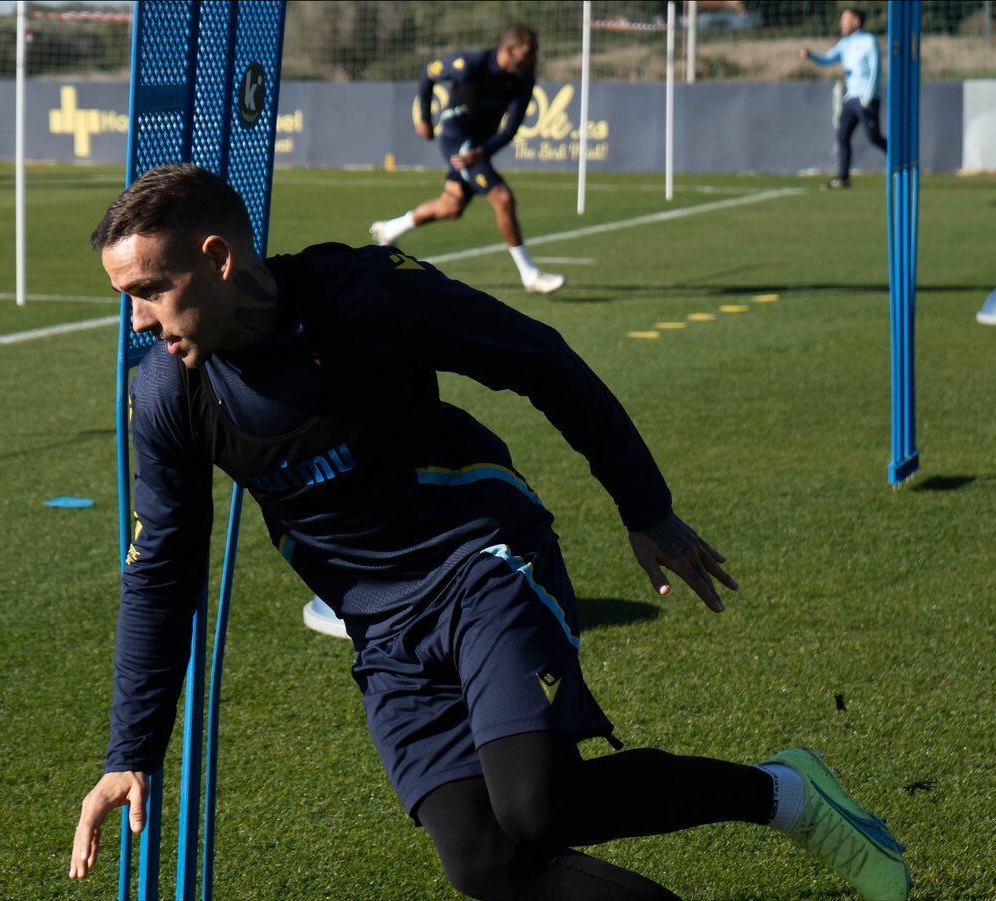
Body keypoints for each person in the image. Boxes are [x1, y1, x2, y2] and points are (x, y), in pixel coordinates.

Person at [68, 164, 913, 900]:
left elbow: (537, 358)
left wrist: (645, 506)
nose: (137, 321)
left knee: (537, 806)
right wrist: (130, 750)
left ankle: (785, 795)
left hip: (481, 558)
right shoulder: (167, 396)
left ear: (218, 258)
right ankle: (785, 791)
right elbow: (162, 570)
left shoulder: (364, 294)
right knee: (481, 858)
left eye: (149, 289)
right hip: (382, 626)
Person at [369, 24, 565, 295]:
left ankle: (390, 229)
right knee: (502, 198)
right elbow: (428, 73)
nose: (533, 59)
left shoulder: (523, 79)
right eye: (528, 53)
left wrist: (483, 152)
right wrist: (424, 118)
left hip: (477, 148)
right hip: (456, 139)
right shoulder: (470, 64)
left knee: (451, 206)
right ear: (510, 49)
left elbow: (510, 130)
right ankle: (530, 274)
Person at [801, 7, 887, 190]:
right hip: (851, 99)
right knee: (842, 136)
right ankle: (843, 178)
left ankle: (899, 161)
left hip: (865, 99)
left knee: (874, 138)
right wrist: (811, 56)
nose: (841, 22)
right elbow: (827, 60)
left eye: (844, 19)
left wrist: (868, 97)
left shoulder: (869, 41)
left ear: (856, 22)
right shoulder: (845, 44)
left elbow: (876, 70)